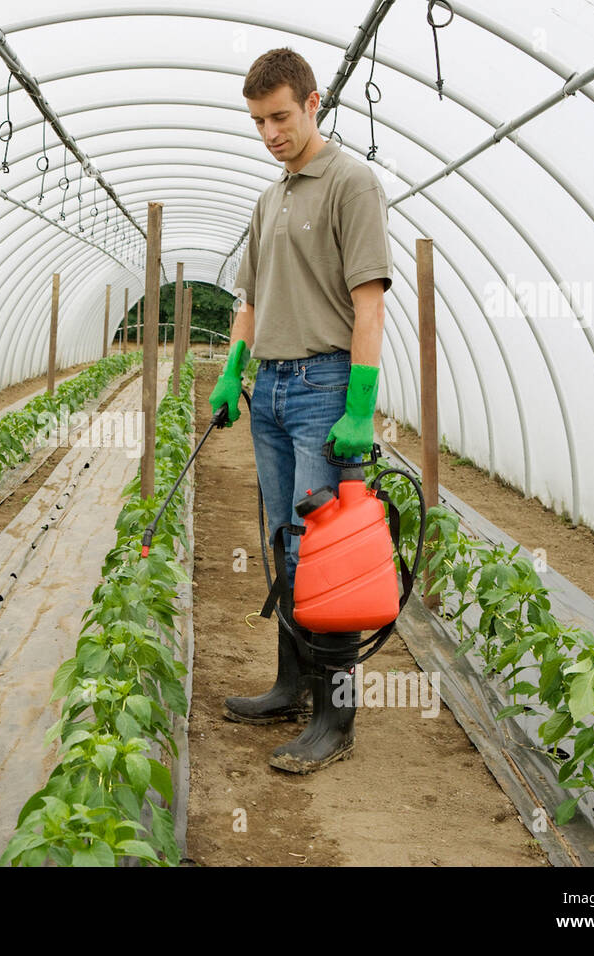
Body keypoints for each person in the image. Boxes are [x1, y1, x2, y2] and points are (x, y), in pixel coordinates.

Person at [208, 47, 393, 773]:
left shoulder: (351, 183)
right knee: (285, 540)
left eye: (281, 116)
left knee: (329, 558)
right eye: (258, 121)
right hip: (273, 391)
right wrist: (231, 372)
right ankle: (290, 684)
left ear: (314, 103)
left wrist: (360, 406)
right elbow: (249, 300)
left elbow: (368, 303)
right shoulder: (270, 197)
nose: (270, 132)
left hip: (325, 388)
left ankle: (334, 720)